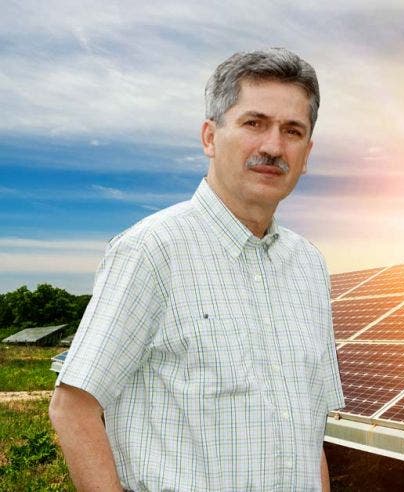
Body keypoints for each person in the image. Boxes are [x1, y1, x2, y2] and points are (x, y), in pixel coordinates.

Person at [49, 48, 344, 491]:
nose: (272, 146)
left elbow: (308, 428)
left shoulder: (309, 266)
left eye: (292, 131)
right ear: (210, 136)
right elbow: (73, 405)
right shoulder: (151, 251)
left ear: (307, 153)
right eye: (254, 123)